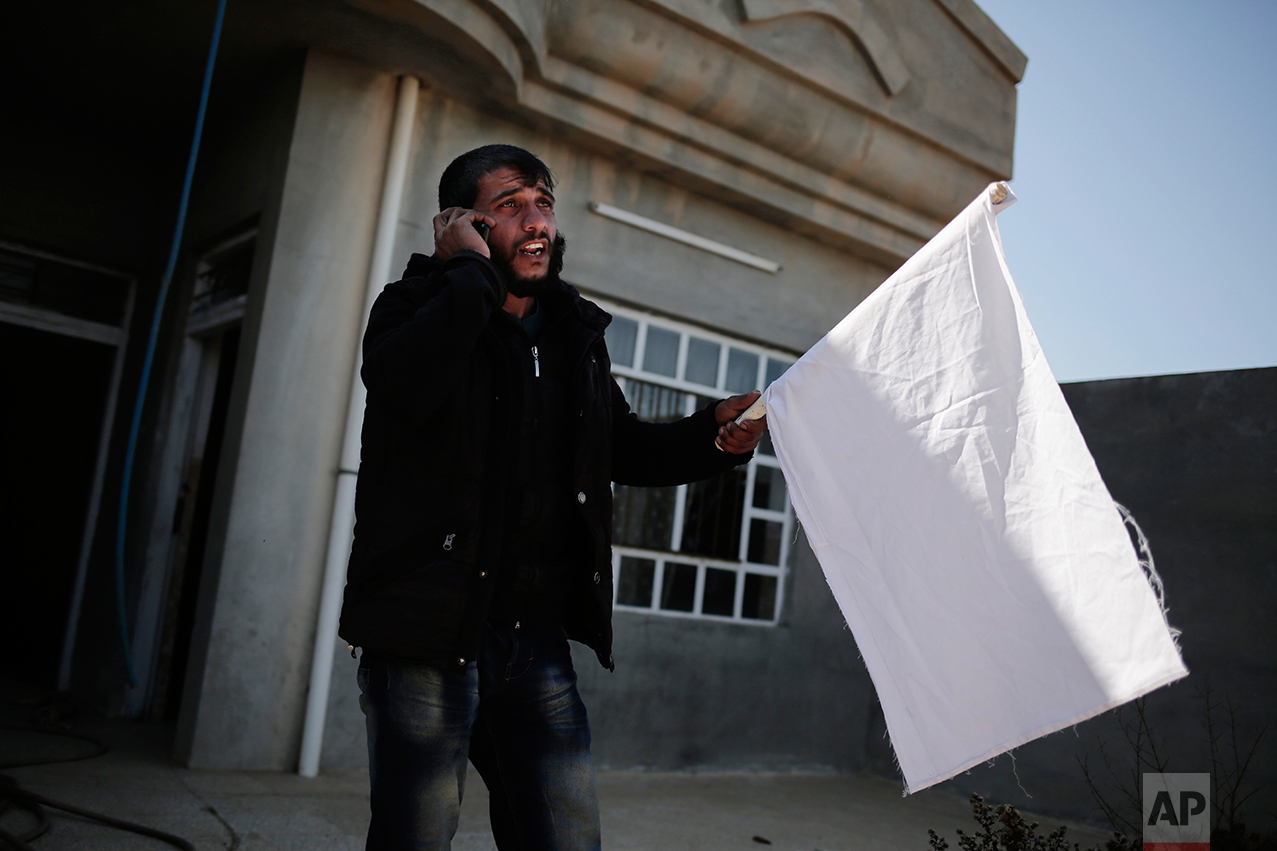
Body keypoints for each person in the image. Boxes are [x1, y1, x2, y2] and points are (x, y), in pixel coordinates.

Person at [338, 144, 767, 850]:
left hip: (533, 639)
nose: (535, 220)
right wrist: (467, 274)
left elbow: (618, 447)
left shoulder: (572, 333)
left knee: (565, 836)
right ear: (459, 225)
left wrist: (706, 437)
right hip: (426, 631)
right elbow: (404, 386)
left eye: (543, 201)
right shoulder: (412, 309)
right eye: (508, 206)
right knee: (415, 835)